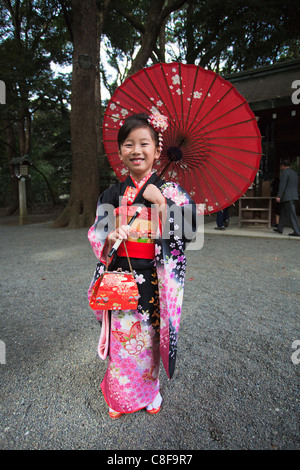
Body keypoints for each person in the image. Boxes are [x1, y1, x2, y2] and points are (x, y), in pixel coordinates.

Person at [87, 113, 197, 419]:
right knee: (122, 340)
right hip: (120, 276)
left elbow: (188, 233)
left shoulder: (171, 192)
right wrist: (110, 237)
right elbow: (97, 234)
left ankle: (151, 391)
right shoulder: (113, 193)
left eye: (144, 143)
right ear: (120, 150)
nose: (136, 150)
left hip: (153, 279)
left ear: (157, 150)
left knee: (149, 338)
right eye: (128, 144)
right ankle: (119, 395)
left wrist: (161, 203)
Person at [273, 160, 300, 237]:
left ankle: (297, 230)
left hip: (287, 196)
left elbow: (282, 185)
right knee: (284, 212)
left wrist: (279, 196)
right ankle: (280, 228)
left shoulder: (285, 173)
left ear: (283, 166)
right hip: (293, 194)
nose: (281, 168)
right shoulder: (294, 173)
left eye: (281, 166)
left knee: (292, 214)